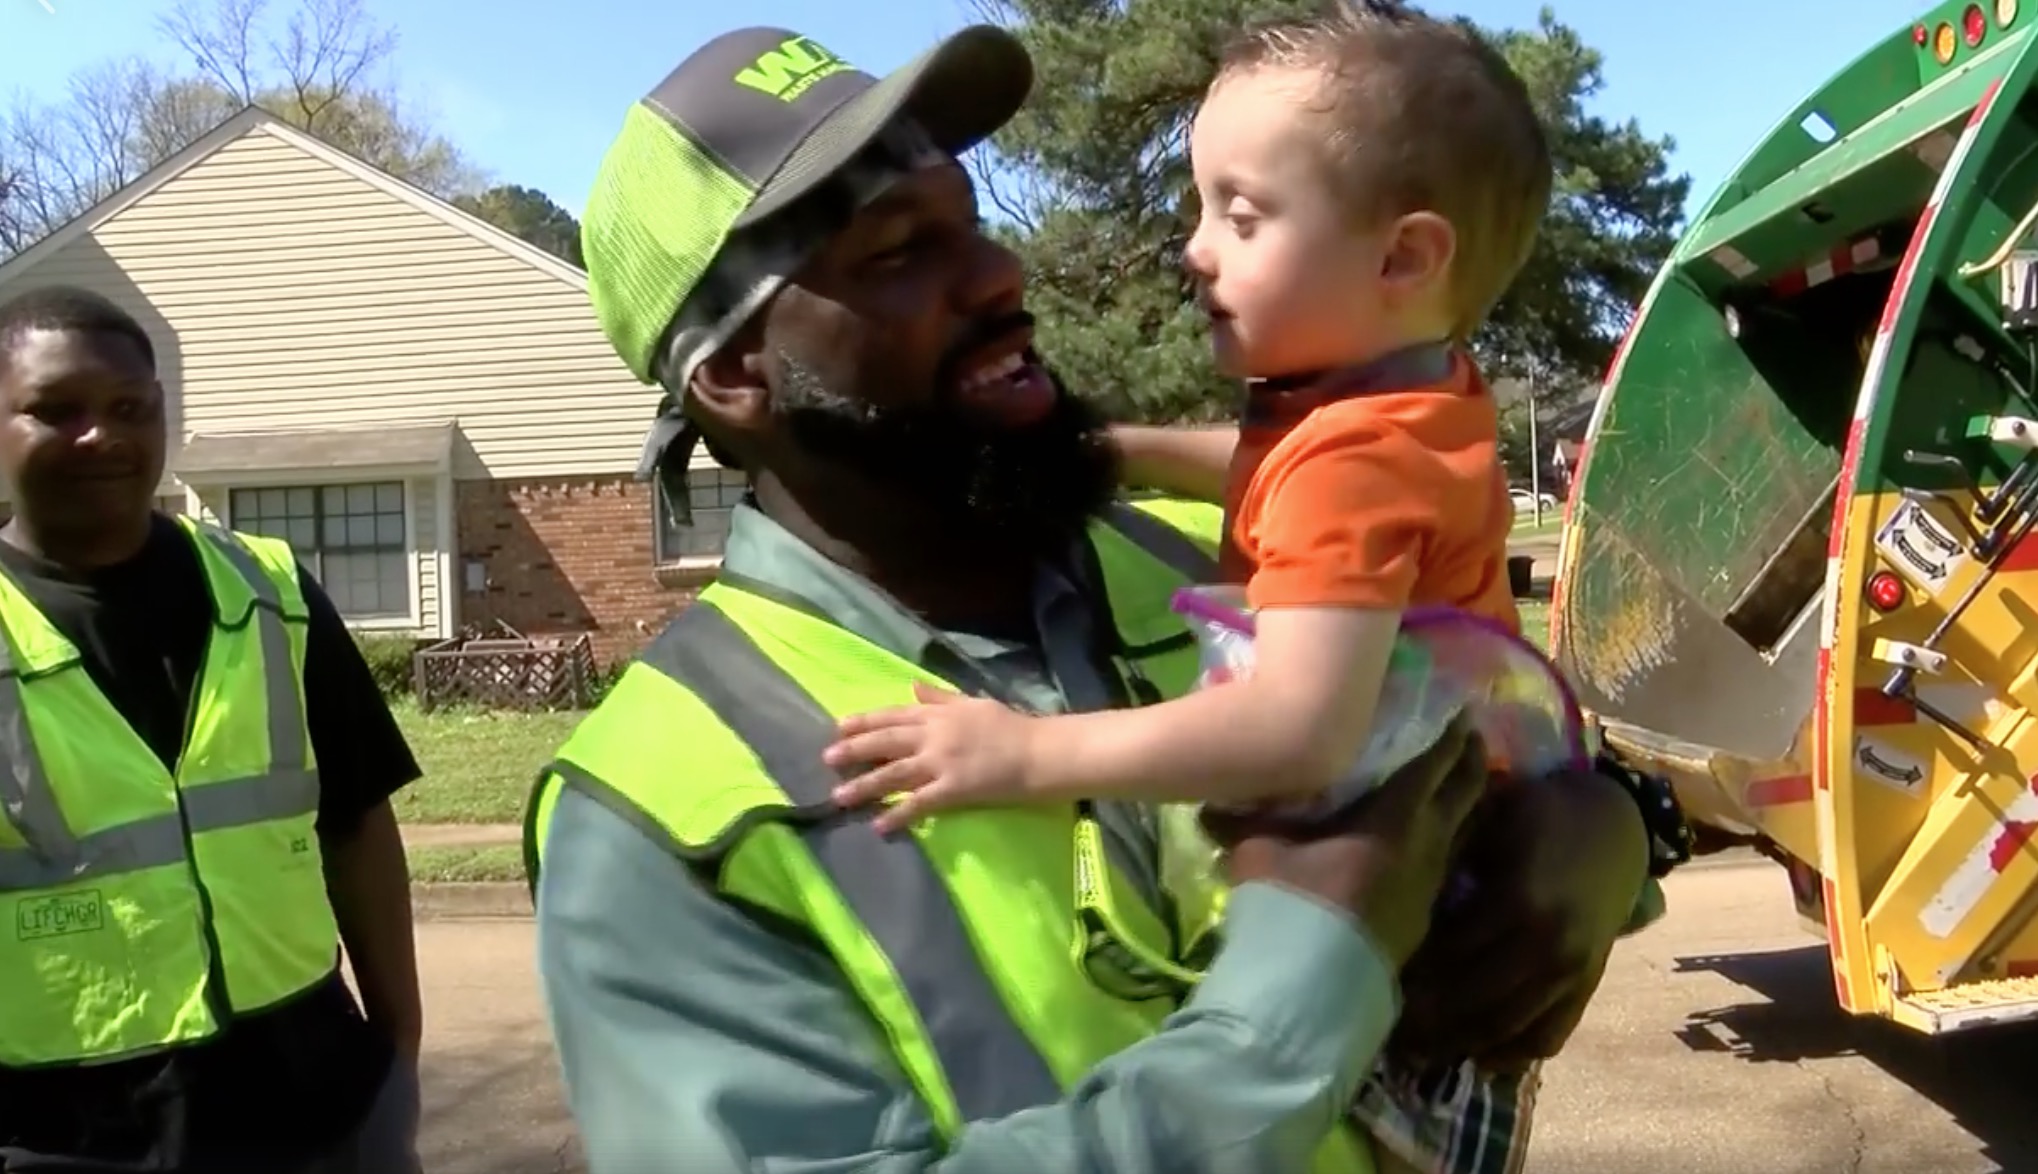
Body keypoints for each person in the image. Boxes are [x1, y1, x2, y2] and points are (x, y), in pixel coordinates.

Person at [530, 20, 1684, 1174]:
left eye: (970, 219)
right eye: (895, 250)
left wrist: (1606, 833)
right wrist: (1302, 980)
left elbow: (1476, 686)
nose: (996, 271)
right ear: (735, 375)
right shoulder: (650, 817)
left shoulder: (1216, 554)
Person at [826, 0, 1545, 831]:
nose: (1195, 250)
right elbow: (1272, 467)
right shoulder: (1415, 400)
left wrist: (1028, 756)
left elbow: (1296, 731)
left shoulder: (1354, 466)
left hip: (1401, 857)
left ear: (1401, 257)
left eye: (1240, 218)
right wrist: (1121, 449)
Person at [0, 286, 425, 1174]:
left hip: (318, 1104)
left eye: (128, 407)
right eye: (55, 410)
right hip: (68, 1133)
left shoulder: (271, 594)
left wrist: (397, 1048)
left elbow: (356, 823)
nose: (101, 435)